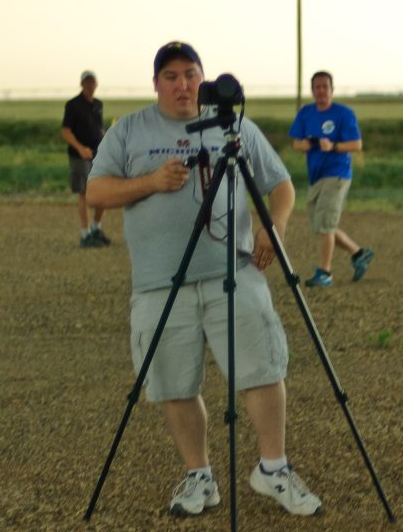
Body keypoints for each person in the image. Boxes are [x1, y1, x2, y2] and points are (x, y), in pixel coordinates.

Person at [87, 41, 322, 518]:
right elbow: (97, 190)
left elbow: (281, 185)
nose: (182, 85)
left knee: (262, 368)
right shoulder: (128, 130)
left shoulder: (234, 127)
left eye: (191, 74)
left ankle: (273, 469)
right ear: (155, 83)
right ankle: (200, 477)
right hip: (159, 283)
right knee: (173, 383)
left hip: (233, 271)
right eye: (171, 76)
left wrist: (272, 226)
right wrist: (150, 182)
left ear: (204, 78)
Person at [289, 70, 374, 287]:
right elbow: (296, 143)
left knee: (325, 224)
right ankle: (358, 253)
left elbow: (356, 144)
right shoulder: (306, 113)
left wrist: (333, 146)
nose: (321, 91)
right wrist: (306, 144)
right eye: (317, 87)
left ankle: (325, 273)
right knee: (322, 224)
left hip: (336, 173)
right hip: (315, 176)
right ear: (312, 90)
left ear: (332, 89)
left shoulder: (344, 113)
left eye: (325, 87)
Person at [62, 70, 110, 248]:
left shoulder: (98, 104)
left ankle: (96, 228)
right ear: (82, 84)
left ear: (96, 84)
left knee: (102, 192)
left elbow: (99, 128)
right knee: (84, 193)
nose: (90, 85)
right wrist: (80, 148)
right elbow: (66, 131)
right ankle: (85, 234)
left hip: (98, 154)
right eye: (87, 82)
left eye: (93, 82)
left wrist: (108, 143)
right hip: (79, 156)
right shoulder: (73, 105)